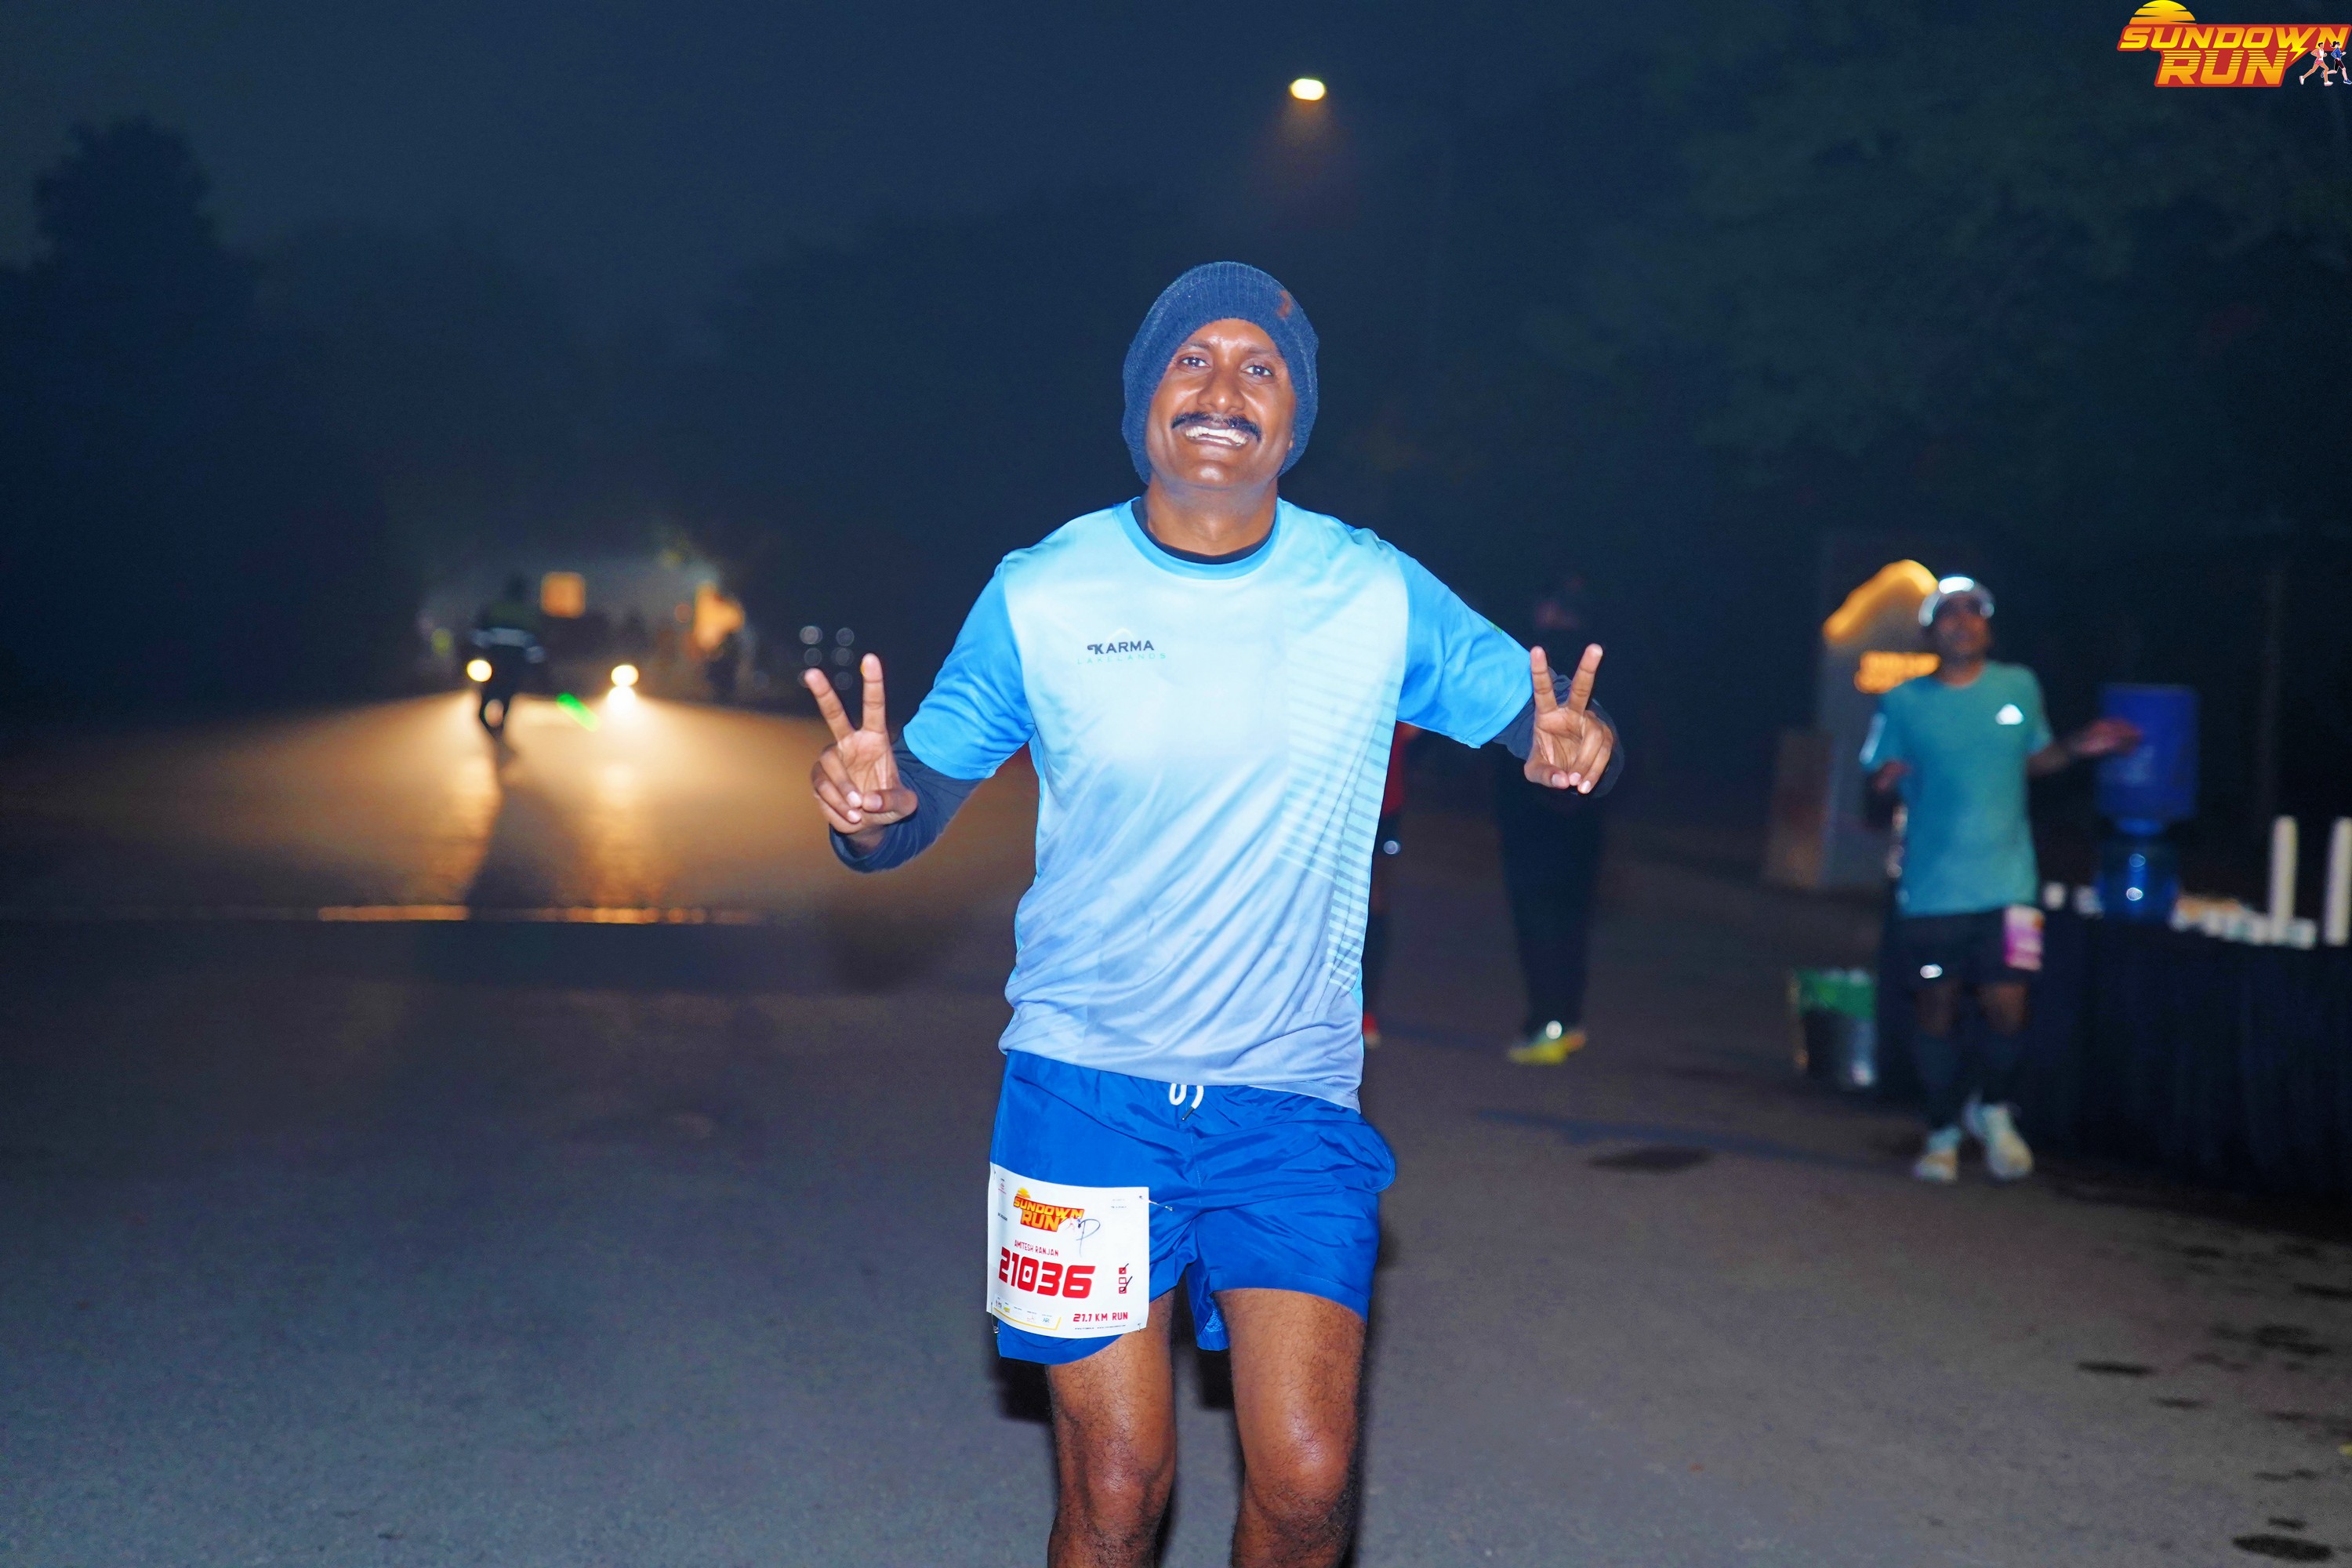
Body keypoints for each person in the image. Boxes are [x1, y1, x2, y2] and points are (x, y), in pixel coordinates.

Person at [805, 262, 1620, 1568]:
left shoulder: (1372, 591)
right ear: (1144, 404)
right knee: (1116, 1490)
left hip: (1291, 1104)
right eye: (1191, 360)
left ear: (1294, 423)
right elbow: (908, 806)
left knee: (1307, 1486)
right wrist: (865, 806)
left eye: (1260, 367)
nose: (1223, 388)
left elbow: (1545, 726)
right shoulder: (1044, 592)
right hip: (1084, 1094)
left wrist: (1581, 744)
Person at [1862, 577, 2138, 1185]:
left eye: (1975, 611)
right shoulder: (1903, 702)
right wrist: (1882, 784)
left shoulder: (2019, 687)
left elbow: (2035, 758)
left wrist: (2078, 746)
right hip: (1932, 891)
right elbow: (1876, 775)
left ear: (1987, 627)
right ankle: (1941, 1130)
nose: (1963, 620)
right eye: (1948, 612)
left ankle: (1993, 1110)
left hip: (2010, 887)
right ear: (1930, 632)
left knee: (2009, 1005)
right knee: (1936, 1005)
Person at [1495, 578, 1610, 1065]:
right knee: (1571, 916)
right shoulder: (1604, 658)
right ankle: (1567, 1018)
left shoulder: (1533, 657)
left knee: (1539, 917)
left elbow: (1506, 731)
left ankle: (1549, 1021)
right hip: (1585, 812)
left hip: (1535, 812)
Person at [1359, 720, 1417, 1049]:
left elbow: (1414, 725)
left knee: (1373, 900)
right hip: (1318, 792)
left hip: (1379, 798)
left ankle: (1364, 1010)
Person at [470, 575, 543, 739]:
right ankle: (500, 728)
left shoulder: (495, 609)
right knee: (507, 698)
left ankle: (493, 731)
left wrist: (478, 653)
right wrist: (536, 668)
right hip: (515, 666)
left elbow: (479, 635)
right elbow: (534, 646)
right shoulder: (527, 614)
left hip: (494, 664)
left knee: (485, 703)